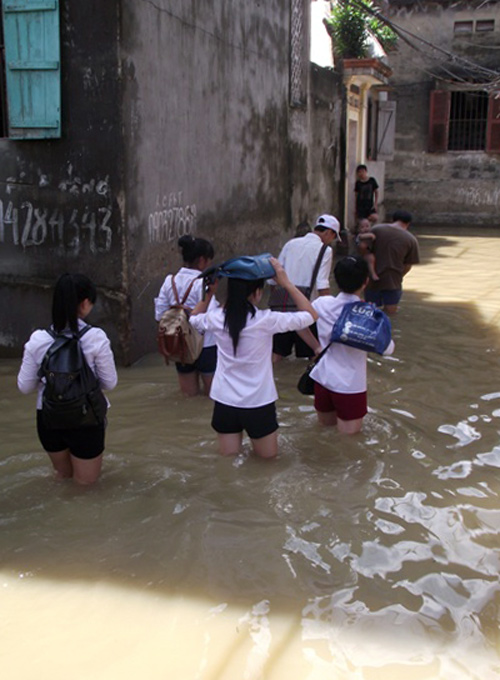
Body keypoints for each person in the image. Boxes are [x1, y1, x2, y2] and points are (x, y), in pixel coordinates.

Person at [189, 257, 318, 459]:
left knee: (228, 464)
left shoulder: (215, 318)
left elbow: (193, 319)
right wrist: (286, 284)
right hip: (258, 403)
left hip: (225, 402)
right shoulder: (267, 320)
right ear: (257, 293)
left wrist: (209, 294)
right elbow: (311, 315)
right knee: (267, 465)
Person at [17, 274, 118, 484]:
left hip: (49, 420)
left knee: (62, 478)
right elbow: (110, 382)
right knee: (85, 488)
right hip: (86, 420)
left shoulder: (38, 340)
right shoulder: (95, 338)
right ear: (84, 303)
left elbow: (24, 386)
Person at [310, 256, 395, 435]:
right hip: (349, 386)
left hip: (322, 378)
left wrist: (316, 347)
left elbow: (300, 322)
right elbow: (388, 349)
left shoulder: (321, 304)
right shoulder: (369, 316)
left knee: (323, 433)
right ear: (365, 281)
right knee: (349, 444)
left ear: (336, 280)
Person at [270, 214, 340, 362]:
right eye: (333, 237)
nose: (331, 241)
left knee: (277, 354)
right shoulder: (325, 251)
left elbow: (274, 277)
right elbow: (322, 285)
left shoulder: (291, 244)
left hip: (282, 307)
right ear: (329, 233)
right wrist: (328, 311)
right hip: (306, 309)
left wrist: (278, 301)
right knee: (315, 355)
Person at [155, 235, 216, 396]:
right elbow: (212, 320)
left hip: (180, 345)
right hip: (206, 346)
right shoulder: (204, 284)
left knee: (188, 398)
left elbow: (159, 315)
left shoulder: (169, 281)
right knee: (213, 398)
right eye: (209, 261)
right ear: (202, 260)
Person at [359, 210, 420, 315]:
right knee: (390, 313)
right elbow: (408, 265)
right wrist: (399, 275)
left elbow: (363, 248)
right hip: (393, 281)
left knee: (370, 313)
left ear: (393, 219)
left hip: (372, 281)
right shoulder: (411, 240)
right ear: (408, 223)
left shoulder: (376, 229)